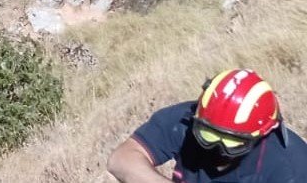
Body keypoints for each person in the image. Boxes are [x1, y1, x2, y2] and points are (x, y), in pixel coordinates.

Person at [107, 68, 307, 182]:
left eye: (232, 142)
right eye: (208, 136)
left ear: (262, 134)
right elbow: (121, 160)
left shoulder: (292, 167)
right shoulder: (188, 119)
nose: (218, 150)